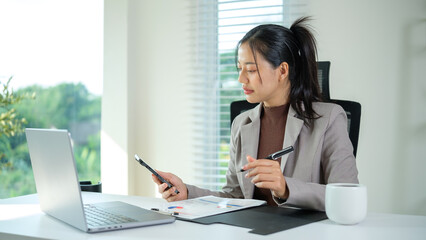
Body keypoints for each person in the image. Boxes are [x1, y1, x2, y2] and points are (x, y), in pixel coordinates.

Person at [152, 17, 359, 211]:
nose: (241, 79)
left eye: (250, 70)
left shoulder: (329, 118)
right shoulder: (242, 123)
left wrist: (286, 187)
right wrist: (187, 193)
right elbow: (235, 197)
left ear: (282, 71)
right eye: (239, 68)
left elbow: (346, 196)